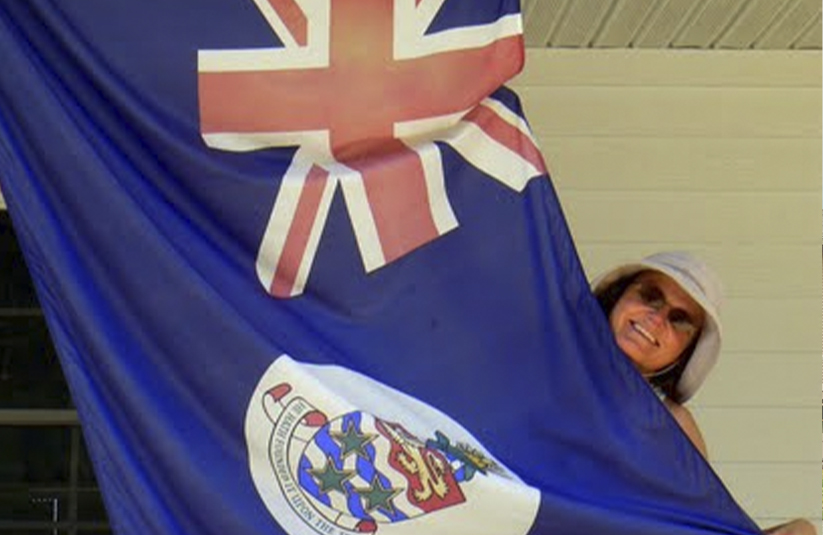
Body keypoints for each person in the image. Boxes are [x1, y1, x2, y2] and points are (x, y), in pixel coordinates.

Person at [591, 251, 816, 535]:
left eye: (679, 319)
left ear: (686, 353)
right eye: (650, 296)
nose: (657, 319)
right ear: (617, 297)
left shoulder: (673, 424)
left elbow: (700, 523)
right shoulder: (547, 360)